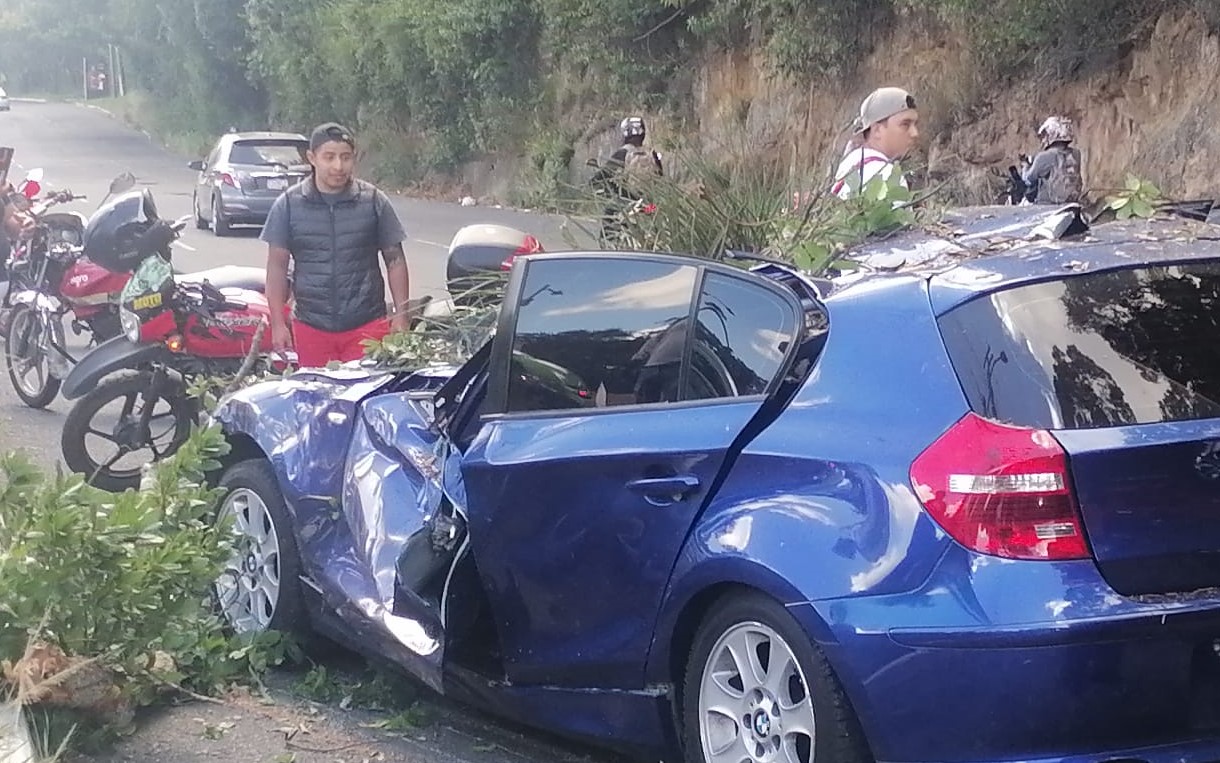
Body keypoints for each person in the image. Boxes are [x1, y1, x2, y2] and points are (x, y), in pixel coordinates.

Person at [260, 122, 410, 368]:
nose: (338, 166)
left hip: (367, 324)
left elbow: (395, 260)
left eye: (345, 157)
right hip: (311, 327)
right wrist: (277, 324)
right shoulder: (287, 205)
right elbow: (276, 266)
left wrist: (401, 317)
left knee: (362, 397)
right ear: (312, 158)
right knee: (317, 399)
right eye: (329, 157)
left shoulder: (373, 201)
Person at [832, 87, 920, 199]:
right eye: (905, 124)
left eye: (915, 124)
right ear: (877, 130)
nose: (914, 133)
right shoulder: (886, 175)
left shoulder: (850, 164)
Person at [1021, 116, 1084, 204]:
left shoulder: (1045, 156)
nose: (1043, 139)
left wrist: (1025, 166)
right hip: (1072, 203)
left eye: (1045, 134)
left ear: (1052, 133)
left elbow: (1028, 179)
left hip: (1047, 207)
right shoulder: (1076, 154)